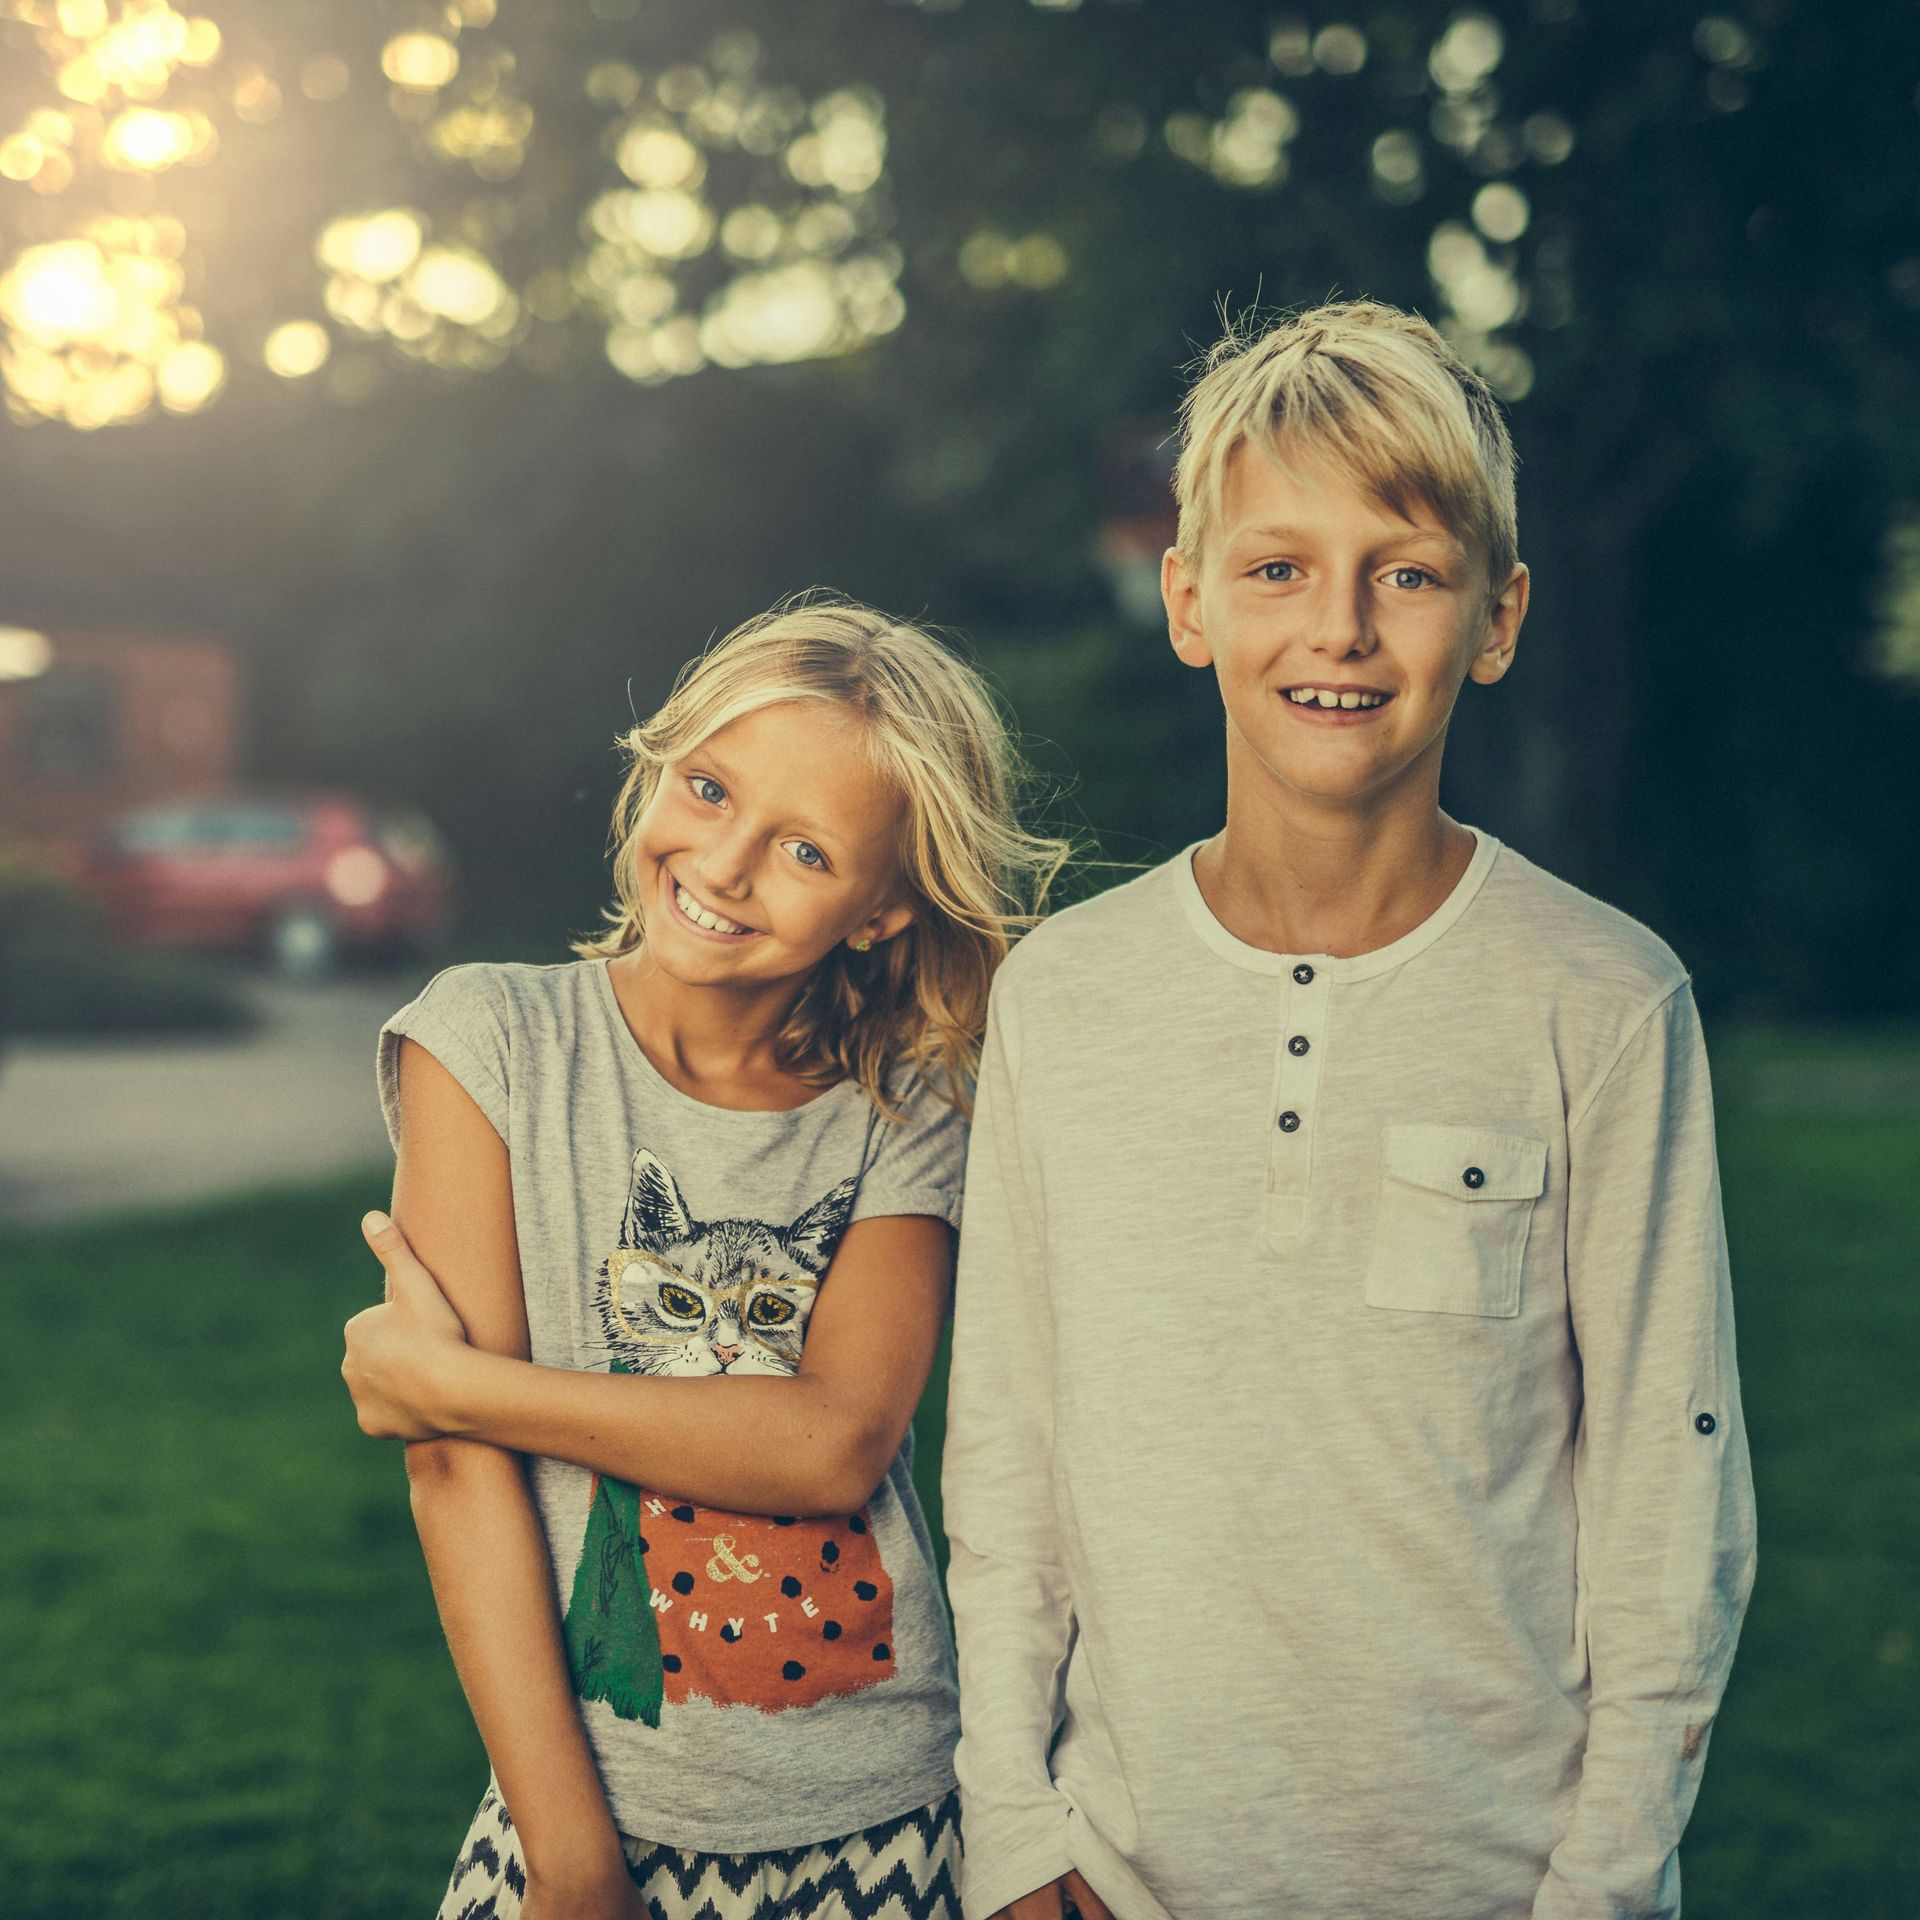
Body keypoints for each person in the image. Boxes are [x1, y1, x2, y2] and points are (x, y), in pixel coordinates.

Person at [941, 301, 1758, 1920]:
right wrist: (1015, 1834)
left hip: (1501, 1881)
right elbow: (1007, 1457)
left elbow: (1674, 1500)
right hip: (1125, 1875)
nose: (1341, 629)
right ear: (1187, 602)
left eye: (1406, 571)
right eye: (1276, 569)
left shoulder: (1604, 997)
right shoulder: (1069, 997)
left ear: (1498, 617)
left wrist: (1600, 1885)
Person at [341, 597, 1066, 1920]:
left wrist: (454, 1384)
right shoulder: (489, 1041)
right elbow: (456, 1478)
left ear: (882, 907)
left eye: (801, 848)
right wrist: (570, 1859)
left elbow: (832, 1443)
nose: (723, 865)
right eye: (710, 790)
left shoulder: (905, 1108)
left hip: (883, 1815)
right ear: (657, 769)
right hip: (582, 1826)